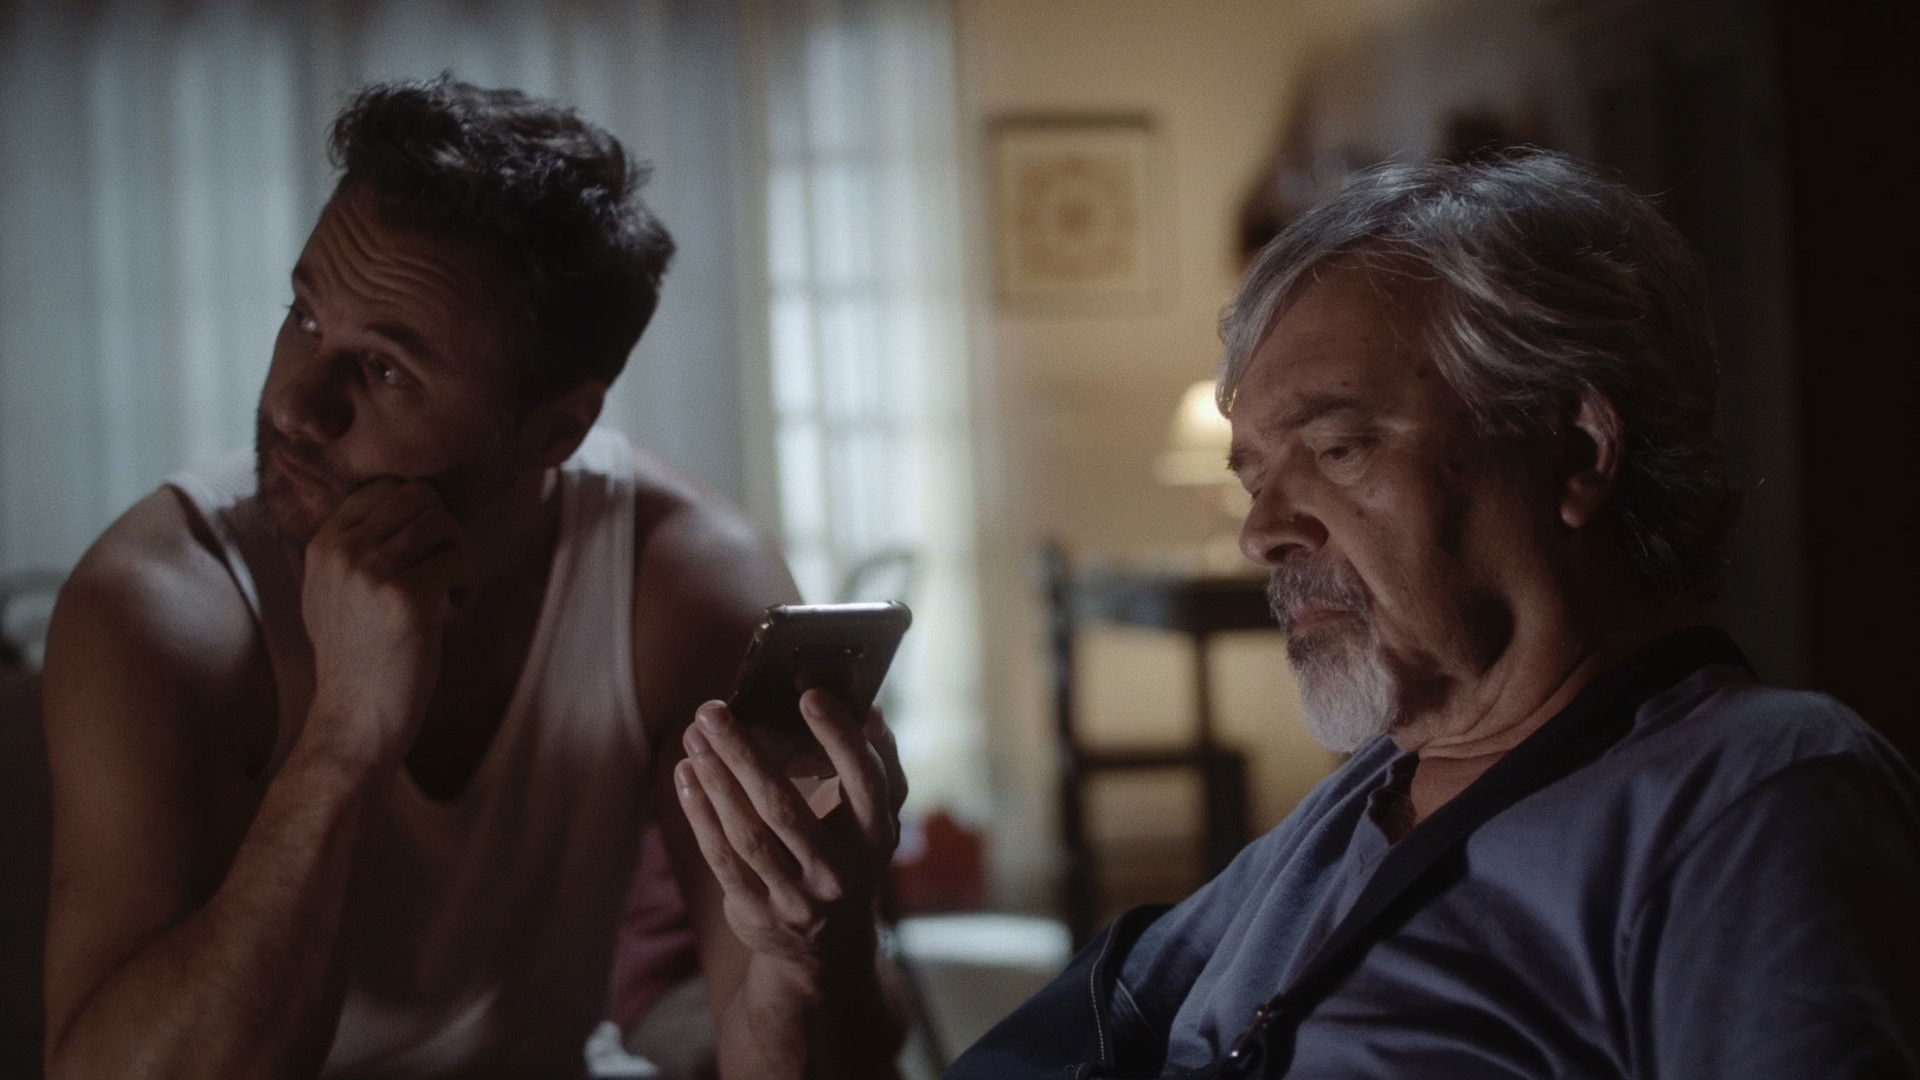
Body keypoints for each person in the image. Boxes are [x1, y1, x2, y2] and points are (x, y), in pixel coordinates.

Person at [948, 150, 1920, 1078]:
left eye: (1336, 450)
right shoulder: (1363, 798)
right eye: (1255, 480)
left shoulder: (1753, 795)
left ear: (1577, 453)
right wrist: (847, 996)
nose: (1262, 535)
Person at [41, 77, 905, 1080]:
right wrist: (345, 741)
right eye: (305, 317)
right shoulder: (160, 600)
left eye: (386, 369)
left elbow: (798, 1057)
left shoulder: (679, 580)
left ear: (557, 429)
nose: (295, 405)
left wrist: (806, 953)